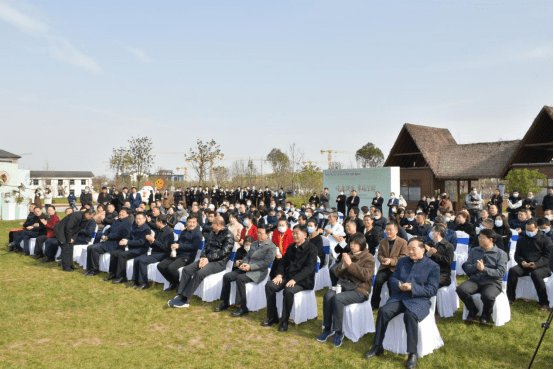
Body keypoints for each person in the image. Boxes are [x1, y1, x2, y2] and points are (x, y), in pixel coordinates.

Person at [365, 238, 440, 369]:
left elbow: (432, 290)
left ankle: (412, 354)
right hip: (400, 297)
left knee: (409, 315)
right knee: (383, 311)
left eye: (413, 249)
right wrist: (399, 285)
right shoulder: (402, 262)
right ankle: (377, 346)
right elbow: (393, 278)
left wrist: (413, 288)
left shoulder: (433, 266)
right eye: (409, 249)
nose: (410, 252)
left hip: (419, 300)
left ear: (422, 250)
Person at [317, 233, 374, 347]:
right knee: (328, 296)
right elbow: (336, 272)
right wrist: (343, 265)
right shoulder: (348, 255)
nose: (352, 246)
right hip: (343, 286)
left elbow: (365, 276)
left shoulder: (369, 258)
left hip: (360, 290)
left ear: (362, 245)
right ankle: (328, 328)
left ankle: (338, 332)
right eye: (351, 243)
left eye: (355, 244)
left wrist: (350, 264)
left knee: (338, 299)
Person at [168, 217, 234, 308]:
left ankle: (185, 298)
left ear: (218, 225)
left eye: (213, 224)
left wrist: (208, 259)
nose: (211, 226)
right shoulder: (212, 233)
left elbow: (223, 253)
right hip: (206, 259)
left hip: (219, 262)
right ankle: (180, 295)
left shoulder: (229, 235)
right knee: (186, 270)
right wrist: (203, 257)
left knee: (199, 273)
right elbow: (206, 247)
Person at [262, 225, 317, 332]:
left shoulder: (311, 248)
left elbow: (309, 268)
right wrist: (279, 275)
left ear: (305, 235)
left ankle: (284, 321)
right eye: (294, 233)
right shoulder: (291, 247)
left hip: (303, 280)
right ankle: (272, 317)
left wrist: (295, 279)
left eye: (297, 233)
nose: (294, 235)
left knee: (288, 290)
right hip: (288, 277)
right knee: (269, 285)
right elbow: (283, 263)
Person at [215, 226, 277, 317]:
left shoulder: (271, 247)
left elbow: (266, 263)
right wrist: (243, 264)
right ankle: (225, 302)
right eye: (258, 233)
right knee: (227, 276)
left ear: (267, 235)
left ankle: (243, 307)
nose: (258, 235)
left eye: (260, 233)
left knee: (240, 278)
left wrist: (250, 267)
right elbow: (247, 256)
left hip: (259, 272)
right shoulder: (254, 244)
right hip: (247, 267)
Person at [456, 228, 508, 324]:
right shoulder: (474, 250)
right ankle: (472, 310)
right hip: (475, 280)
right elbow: (467, 266)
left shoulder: (501, 254)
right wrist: (476, 267)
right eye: (479, 237)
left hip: (492, 282)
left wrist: (484, 269)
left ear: (490, 240)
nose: (479, 239)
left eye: (482, 238)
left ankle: (486, 314)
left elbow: (501, 273)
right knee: (461, 289)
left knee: (487, 296)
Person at [506, 220, 552, 311]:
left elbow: (548, 256)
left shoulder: (546, 240)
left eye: (531, 230)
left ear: (537, 228)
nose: (529, 232)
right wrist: (521, 261)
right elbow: (517, 254)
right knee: (513, 270)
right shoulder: (522, 239)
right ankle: (510, 297)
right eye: (527, 230)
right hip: (525, 265)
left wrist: (537, 264)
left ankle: (544, 303)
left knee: (536, 274)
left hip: (542, 267)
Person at [126, 214, 173, 290]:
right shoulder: (158, 231)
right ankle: (135, 281)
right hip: (155, 253)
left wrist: (153, 240)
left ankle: (145, 283)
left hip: (163, 255)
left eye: (156, 221)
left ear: (160, 222)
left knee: (142, 261)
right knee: (136, 259)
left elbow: (165, 247)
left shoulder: (169, 233)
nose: (155, 223)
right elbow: (154, 245)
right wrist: (150, 241)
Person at [157, 216, 203, 291]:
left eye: (194, 222)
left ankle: (180, 284)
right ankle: (173, 282)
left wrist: (179, 246)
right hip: (178, 254)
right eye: (190, 222)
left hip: (188, 256)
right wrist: (173, 250)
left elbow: (194, 246)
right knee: (161, 266)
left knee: (171, 268)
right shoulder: (184, 231)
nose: (191, 224)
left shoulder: (197, 233)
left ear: (196, 223)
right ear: (186, 223)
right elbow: (178, 242)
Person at [84, 207, 132, 276]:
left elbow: (121, 235)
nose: (121, 213)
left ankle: (95, 270)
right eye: (120, 211)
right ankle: (89, 269)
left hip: (115, 244)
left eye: (123, 212)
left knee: (94, 249)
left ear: (128, 214)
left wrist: (108, 237)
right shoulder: (117, 220)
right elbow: (108, 229)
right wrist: (104, 235)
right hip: (108, 241)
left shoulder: (128, 223)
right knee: (90, 247)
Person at [371, 222, 409, 310]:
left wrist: (391, 261)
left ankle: (392, 304)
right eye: (386, 230)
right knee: (377, 281)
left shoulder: (403, 242)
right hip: (385, 267)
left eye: (390, 230)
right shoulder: (383, 242)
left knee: (391, 283)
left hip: (396, 268)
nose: (388, 232)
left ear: (396, 230)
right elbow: (379, 254)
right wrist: (383, 260)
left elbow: (404, 257)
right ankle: (374, 304)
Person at [106, 212, 152, 284]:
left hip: (140, 249)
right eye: (137, 219)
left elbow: (141, 242)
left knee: (122, 255)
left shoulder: (146, 229)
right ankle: (113, 273)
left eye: (140, 219)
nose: (138, 220)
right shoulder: (135, 227)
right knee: (114, 253)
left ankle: (122, 277)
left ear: (144, 219)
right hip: (132, 247)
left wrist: (127, 242)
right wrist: (124, 239)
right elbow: (129, 236)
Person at [426, 224, 455, 319]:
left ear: (438, 233)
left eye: (433, 231)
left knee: (432, 284)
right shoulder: (428, 244)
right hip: (428, 272)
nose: (431, 233)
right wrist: (428, 254)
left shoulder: (448, 246)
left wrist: (434, 254)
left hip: (443, 274)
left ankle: (435, 311)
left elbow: (448, 261)